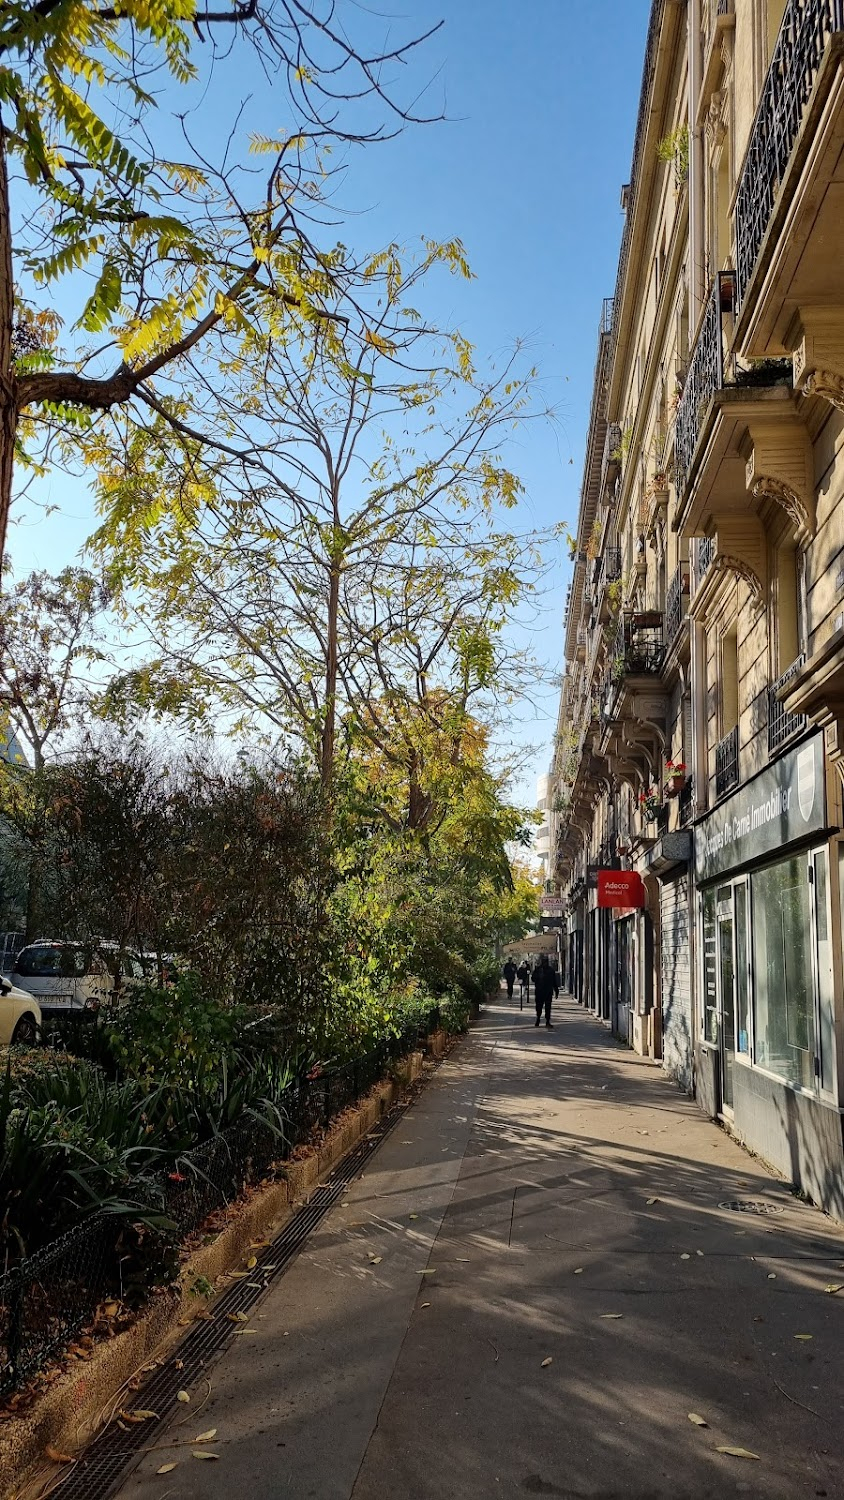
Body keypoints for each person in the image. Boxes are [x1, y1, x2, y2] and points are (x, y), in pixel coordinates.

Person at [532, 953, 559, 1028]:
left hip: (547, 992)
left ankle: (547, 1021)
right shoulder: (538, 970)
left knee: (547, 1007)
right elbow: (533, 979)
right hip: (540, 991)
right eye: (544, 961)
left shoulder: (550, 970)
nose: (545, 963)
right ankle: (538, 1018)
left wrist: (556, 991)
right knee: (539, 1006)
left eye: (546, 961)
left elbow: (554, 982)